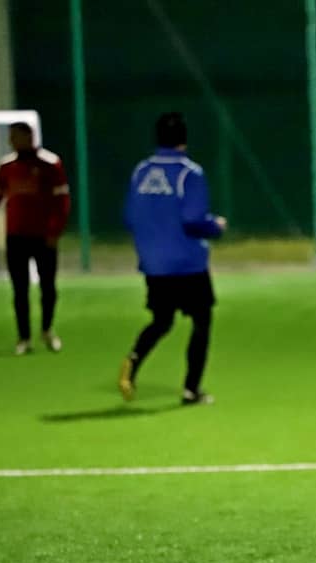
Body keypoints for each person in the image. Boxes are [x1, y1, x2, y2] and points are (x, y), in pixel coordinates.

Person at [119, 112, 226, 405]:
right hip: (187, 263)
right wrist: (215, 227)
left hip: (154, 264)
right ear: (184, 138)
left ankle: (133, 361)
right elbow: (192, 221)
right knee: (201, 322)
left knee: (161, 321)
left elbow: (129, 217)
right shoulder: (189, 173)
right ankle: (191, 389)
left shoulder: (141, 171)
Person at [0, 122, 70, 355]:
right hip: (16, 236)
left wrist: (54, 231)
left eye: (15, 136)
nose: (11, 141)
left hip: (44, 237)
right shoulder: (7, 166)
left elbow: (62, 202)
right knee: (19, 288)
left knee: (48, 287)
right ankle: (23, 337)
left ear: (29, 137)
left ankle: (47, 329)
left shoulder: (50, 164)